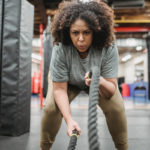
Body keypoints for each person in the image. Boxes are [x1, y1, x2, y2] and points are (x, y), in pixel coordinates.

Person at [40, 1, 128, 150]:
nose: (80, 39)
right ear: (68, 31)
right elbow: (59, 89)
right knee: (50, 109)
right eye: (75, 33)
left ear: (95, 31)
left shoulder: (108, 47)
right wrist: (69, 121)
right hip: (66, 83)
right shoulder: (61, 47)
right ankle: (44, 147)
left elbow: (111, 88)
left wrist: (99, 81)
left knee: (117, 108)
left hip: (97, 82)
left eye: (86, 32)